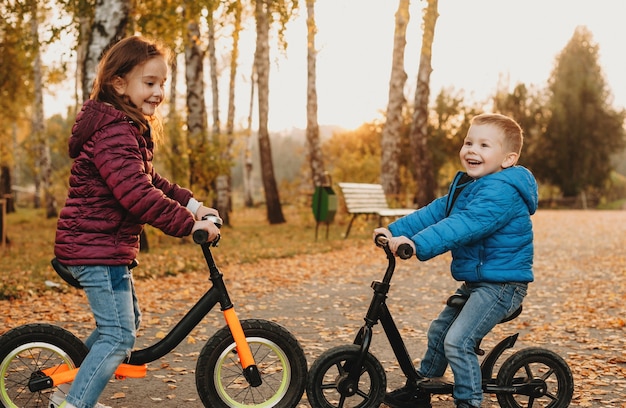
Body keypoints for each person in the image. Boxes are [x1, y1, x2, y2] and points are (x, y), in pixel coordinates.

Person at [53, 36, 220, 408]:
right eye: (150, 82)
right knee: (117, 336)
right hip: (96, 248)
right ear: (119, 83)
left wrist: (193, 205)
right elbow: (136, 195)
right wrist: (187, 224)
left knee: (127, 323)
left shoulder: (124, 128)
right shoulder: (113, 132)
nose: (159, 91)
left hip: (103, 246)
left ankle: (66, 387)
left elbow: (151, 181)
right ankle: (74, 402)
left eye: (163, 83)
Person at [374, 113, 538, 408]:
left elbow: (464, 224)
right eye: (468, 142)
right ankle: (420, 390)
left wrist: (417, 243)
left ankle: (468, 402)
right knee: (440, 331)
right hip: (479, 281)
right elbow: (437, 212)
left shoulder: (501, 193)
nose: (472, 150)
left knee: (458, 340)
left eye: (484, 145)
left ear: (508, 158)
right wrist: (395, 231)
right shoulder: (468, 186)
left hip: (502, 286)